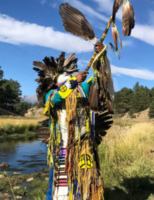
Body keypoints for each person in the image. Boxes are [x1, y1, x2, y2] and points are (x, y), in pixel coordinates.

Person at [33, 42, 114, 200]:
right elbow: (57, 98)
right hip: (62, 145)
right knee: (59, 183)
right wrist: (74, 81)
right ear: (56, 84)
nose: (67, 83)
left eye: (70, 79)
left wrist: (101, 57)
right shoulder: (52, 95)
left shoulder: (82, 89)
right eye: (62, 82)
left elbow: (99, 79)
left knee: (86, 178)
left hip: (83, 144)